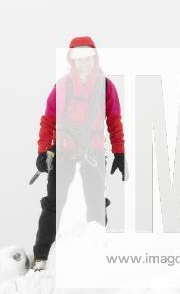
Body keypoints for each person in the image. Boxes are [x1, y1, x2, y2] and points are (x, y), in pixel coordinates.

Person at [32, 36, 126, 271]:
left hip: (92, 152)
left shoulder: (106, 88)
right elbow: (48, 121)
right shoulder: (63, 87)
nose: (83, 63)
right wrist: (43, 152)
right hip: (63, 151)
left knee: (96, 204)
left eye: (87, 58)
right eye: (78, 59)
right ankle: (41, 257)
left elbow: (114, 121)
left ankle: (99, 254)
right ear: (71, 61)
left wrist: (119, 153)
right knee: (53, 204)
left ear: (94, 59)